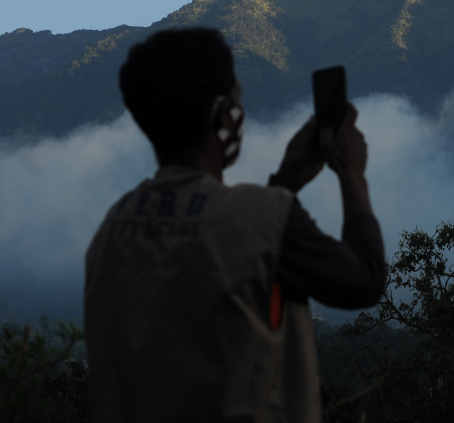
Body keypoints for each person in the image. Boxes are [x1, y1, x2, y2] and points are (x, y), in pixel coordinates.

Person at [84, 27, 385, 422]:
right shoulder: (261, 217)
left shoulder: (112, 229)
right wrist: (352, 175)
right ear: (223, 113)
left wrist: (285, 183)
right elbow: (364, 279)